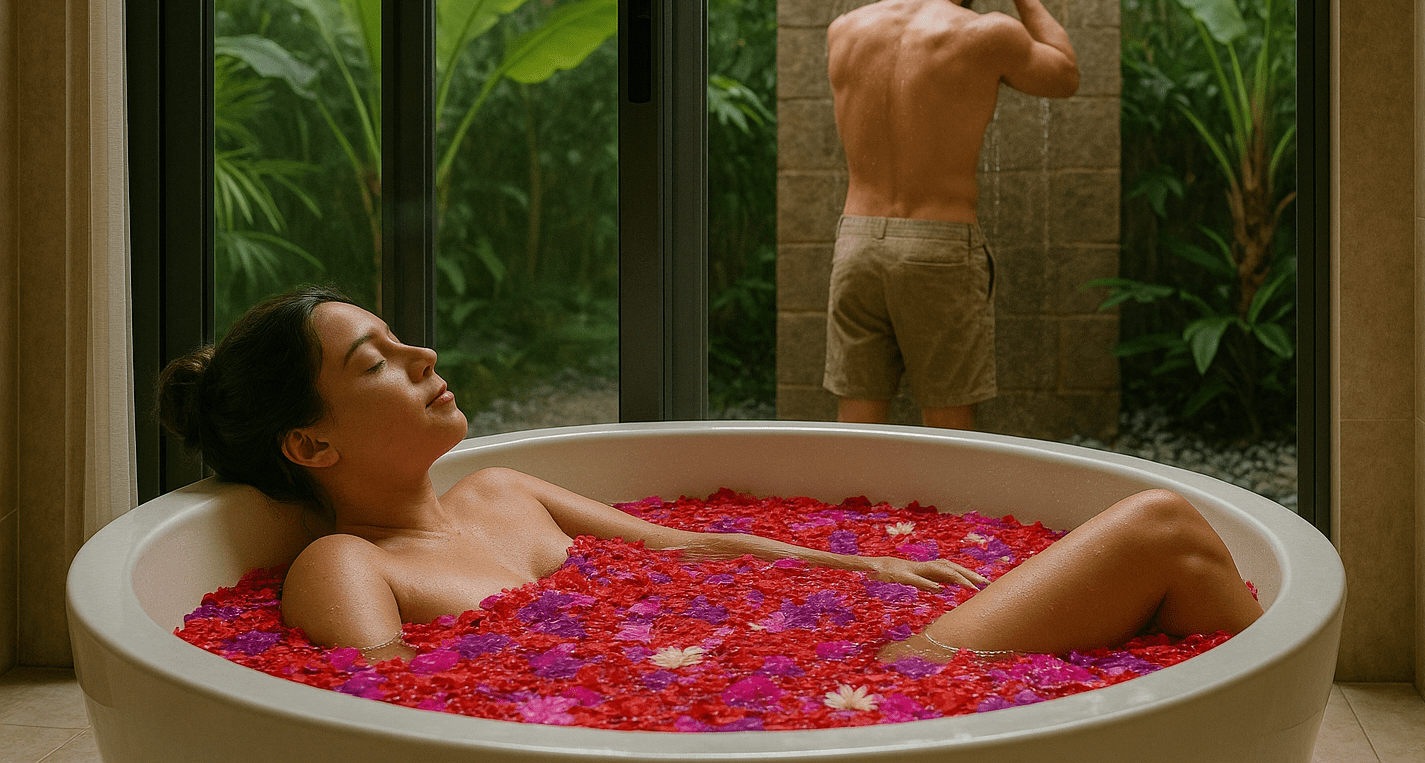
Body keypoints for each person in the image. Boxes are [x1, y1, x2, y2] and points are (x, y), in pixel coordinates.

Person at [159, 286, 1262, 664]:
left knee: (1166, 539)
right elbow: (388, 718)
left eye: (403, 338)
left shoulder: (503, 491)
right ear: (310, 445)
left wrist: (865, 565)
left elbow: (695, 547)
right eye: (375, 363)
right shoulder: (344, 564)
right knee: (1161, 527)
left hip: (833, 679)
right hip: (840, 712)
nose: (424, 355)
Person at [823, 0, 1079, 430]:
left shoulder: (846, 30)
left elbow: (901, 48)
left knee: (857, 431)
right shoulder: (987, 33)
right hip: (937, 248)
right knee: (949, 435)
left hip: (857, 246)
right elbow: (1064, 73)